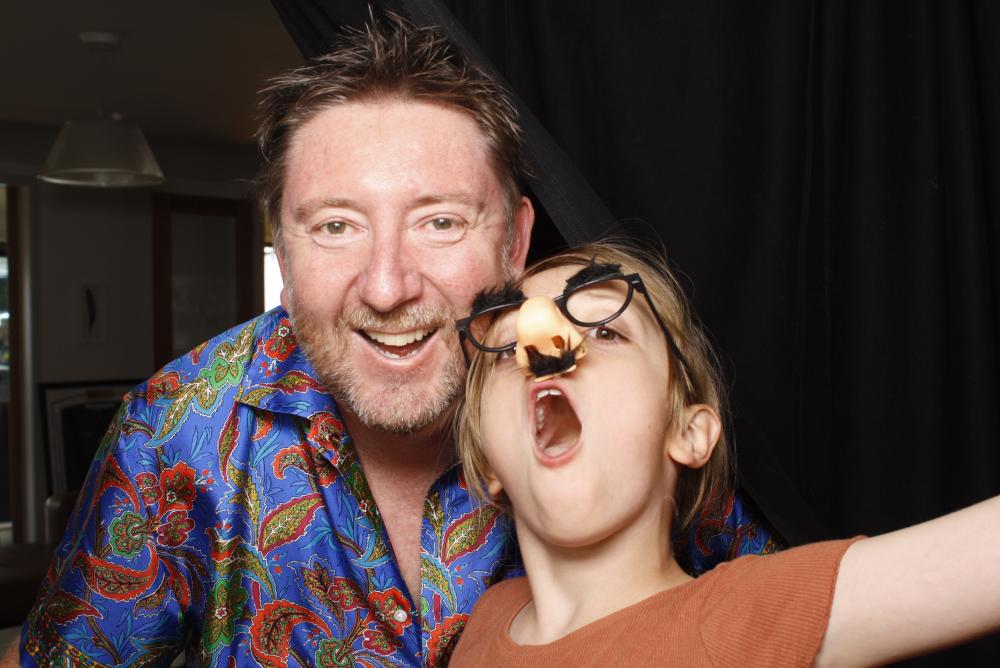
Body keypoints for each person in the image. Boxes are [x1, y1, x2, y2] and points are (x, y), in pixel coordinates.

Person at [7, 15, 779, 668]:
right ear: (284, 252)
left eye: (439, 222)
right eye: (335, 226)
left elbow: (774, 612)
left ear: (515, 243)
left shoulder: (614, 399)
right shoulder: (173, 432)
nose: (386, 287)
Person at [448, 240, 1000, 666]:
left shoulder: (739, 617)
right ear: (487, 461)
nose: (546, 347)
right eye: (508, 345)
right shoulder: (487, 621)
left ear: (689, 433)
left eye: (608, 332)